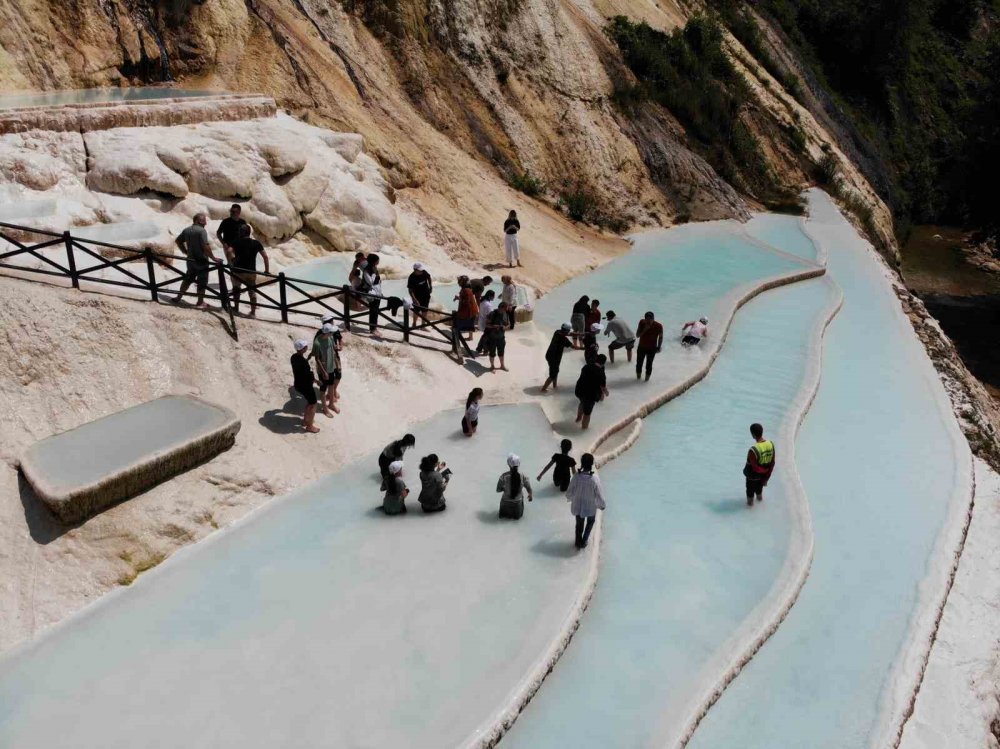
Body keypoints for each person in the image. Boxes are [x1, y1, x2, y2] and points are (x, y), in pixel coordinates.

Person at [171, 213, 219, 310]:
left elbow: (178, 241)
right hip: (201, 260)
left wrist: (185, 251)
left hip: (190, 259)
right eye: (204, 220)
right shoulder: (201, 231)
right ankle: (200, 302)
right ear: (198, 221)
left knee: (188, 279)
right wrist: (213, 258)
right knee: (202, 281)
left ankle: (178, 297)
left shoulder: (187, 230)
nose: (205, 222)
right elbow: (205, 246)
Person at [227, 223, 269, 317]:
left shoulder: (236, 242)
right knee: (252, 291)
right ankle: (253, 312)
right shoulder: (256, 243)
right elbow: (265, 257)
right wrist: (266, 270)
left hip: (238, 270)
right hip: (251, 271)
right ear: (249, 233)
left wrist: (232, 261)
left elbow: (229, 251)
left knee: (236, 289)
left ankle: (236, 308)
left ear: (241, 233)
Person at [567, 452, 606, 548]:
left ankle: (577, 541)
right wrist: (602, 505)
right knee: (590, 522)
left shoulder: (576, 477)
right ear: (592, 464)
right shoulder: (594, 479)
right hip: (590, 507)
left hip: (578, 506)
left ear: (582, 463)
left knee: (579, 524)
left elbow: (569, 492)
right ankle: (584, 541)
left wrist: (571, 499)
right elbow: (599, 494)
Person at [312, 322, 343, 417]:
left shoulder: (330, 338)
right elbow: (317, 359)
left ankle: (331, 404)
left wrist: (336, 349)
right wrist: (324, 372)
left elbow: (333, 349)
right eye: (331, 332)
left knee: (331, 384)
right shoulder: (317, 343)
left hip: (331, 367)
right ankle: (325, 408)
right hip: (323, 370)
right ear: (327, 333)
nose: (333, 334)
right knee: (323, 389)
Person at [290, 339, 320, 433]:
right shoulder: (303, 362)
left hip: (298, 384)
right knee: (313, 404)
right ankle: (309, 426)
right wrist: (316, 381)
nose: (307, 347)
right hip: (306, 386)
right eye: (305, 347)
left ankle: (305, 421)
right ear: (302, 349)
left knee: (309, 402)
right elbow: (307, 375)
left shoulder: (293, 357)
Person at [744, 423, 776, 507]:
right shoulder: (771, 444)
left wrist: (764, 471)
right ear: (762, 432)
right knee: (759, 495)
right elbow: (772, 463)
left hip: (752, 478)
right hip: (762, 477)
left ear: (753, 434)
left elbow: (755, 468)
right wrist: (766, 478)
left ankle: (750, 515)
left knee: (750, 500)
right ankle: (762, 510)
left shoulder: (753, 450)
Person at [575, 354, 609, 430]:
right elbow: (603, 387)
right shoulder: (601, 373)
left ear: (596, 359)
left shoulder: (586, 367)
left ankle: (578, 418)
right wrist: (607, 393)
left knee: (582, 402)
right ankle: (584, 430)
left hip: (579, 390)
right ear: (603, 363)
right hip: (590, 395)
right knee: (587, 413)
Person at [497, 453, 533, 519]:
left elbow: (498, 490)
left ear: (508, 464)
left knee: (502, 520)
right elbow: (529, 488)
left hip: (505, 503)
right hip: (517, 504)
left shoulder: (503, 476)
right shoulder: (523, 476)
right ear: (519, 464)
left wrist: (504, 489)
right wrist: (530, 495)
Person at [541, 323, 574, 392]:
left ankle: (554, 386)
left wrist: (578, 334)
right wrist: (585, 348)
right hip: (554, 358)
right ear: (566, 331)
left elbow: (569, 334)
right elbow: (574, 347)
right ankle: (543, 389)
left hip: (550, 355)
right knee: (553, 374)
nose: (568, 332)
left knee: (556, 371)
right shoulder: (564, 339)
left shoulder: (557, 332)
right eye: (568, 331)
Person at [359, 253, 384, 338]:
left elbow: (377, 281)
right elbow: (370, 282)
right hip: (371, 293)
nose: (378, 262)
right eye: (377, 260)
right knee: (373, 311)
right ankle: (373, 329)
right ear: (374, 261)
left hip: (377, 292)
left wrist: (380, 291)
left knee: (375, 311)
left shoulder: (374, 268)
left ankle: (374, 327)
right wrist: (374, 275)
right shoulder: (367, 270)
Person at [635, 311, 664, 382]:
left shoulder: (659, 326)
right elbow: (637, 335)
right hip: (641, 347)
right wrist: (645, 329)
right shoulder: (642, 322)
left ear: (653, 319)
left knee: (649, 365)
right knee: (639, 364)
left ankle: (646, 381)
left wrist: (659, 347)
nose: (648, 322)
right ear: (644, 319)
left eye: (650, 320)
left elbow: (660, 337)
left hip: (652, 348)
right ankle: (638, 380)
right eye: (646, 320)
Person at [485, 302, 509, 371]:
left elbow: (508, 324)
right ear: (501, 308)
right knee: (492, 353)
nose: (505, 311)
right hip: (492, 338)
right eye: (505, 309)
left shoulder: (505, 314)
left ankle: (502, 365)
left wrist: (505, 327)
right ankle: (492, 366)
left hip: (501, 338)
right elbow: (486, 324)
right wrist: (494, 327)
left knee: (501, 352)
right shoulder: (492, 314)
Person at [454, 276, 479, 341]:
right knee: (470, 324)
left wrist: (459, 298)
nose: (458, 283)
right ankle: (470, 337)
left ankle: (458, 339)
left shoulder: (466, 290)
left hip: (469, 311)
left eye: (459, 281)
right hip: (471, 310)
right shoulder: (466, 289)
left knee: (459, 323)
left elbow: (467, 301)